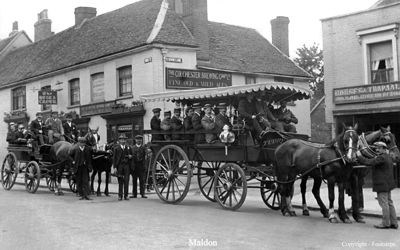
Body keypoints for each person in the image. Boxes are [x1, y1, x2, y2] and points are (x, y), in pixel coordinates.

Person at [357, 141, 398, 229]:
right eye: (377, 148)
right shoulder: (387, 157)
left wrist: (359, 155)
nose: (377, 150)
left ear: (384, 149)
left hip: (382, 185)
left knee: (384, 204)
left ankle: (385, 223)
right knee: (389, 203)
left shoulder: (381, 158)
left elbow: (368, 162)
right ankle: (394, 223)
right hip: (388, 184)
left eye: (379, 148)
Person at [113, 134, 133, 201]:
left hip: (127, 166)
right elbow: (114, 158)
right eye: (122, 139)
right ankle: (120, 195)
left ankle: (126, 195)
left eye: (124, 139)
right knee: (120, 181)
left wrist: (130, 156)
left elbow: (131, 156)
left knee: (126, 181)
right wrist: (115, 167)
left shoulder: (128, 148)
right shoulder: (116, 148)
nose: (123, 141)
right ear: (119, 140)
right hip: (120, 166)